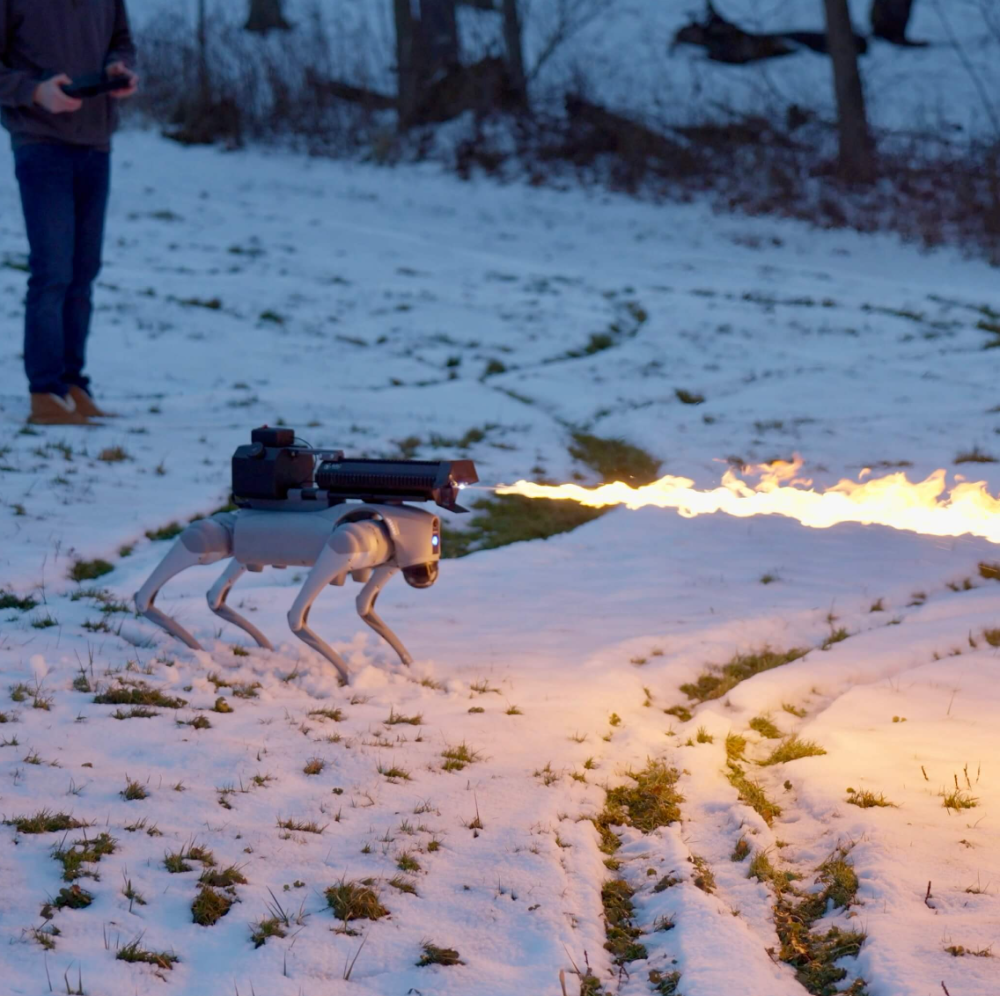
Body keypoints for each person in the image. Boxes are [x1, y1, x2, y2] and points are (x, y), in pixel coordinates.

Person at [0, 0, 138, 425]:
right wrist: (34, 91)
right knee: (53, 271)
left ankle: (72, 384)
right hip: (40, 142)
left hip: (96, 142)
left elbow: (122, 42)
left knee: (83, 273)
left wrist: (118, 69)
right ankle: (45, 391)